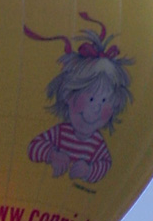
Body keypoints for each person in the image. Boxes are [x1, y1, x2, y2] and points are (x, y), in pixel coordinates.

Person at [27, 22, 133, 184]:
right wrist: (52, 154)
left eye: (104, 101)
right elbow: (34, 147)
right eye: (91, 99)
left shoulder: (97, 145)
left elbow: (105, 165)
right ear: (68, 96)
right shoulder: (60, 133)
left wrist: (88, 170)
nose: (96, 107)